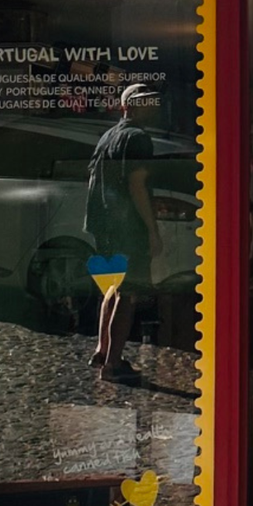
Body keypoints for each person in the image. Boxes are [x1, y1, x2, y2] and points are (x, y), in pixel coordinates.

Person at [86, 82, 162, 384]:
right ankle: (113, 364)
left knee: (113, 287)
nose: (152, 106)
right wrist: (152, 230)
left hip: (104, 225)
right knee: (129, 294)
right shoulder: (138, 138)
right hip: (128, 227)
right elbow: (137, 186)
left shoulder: (108, 136)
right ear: (129, 105)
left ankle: (102, 350)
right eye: (145, 101)